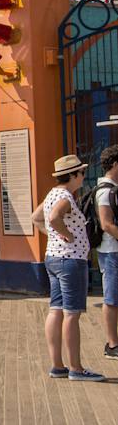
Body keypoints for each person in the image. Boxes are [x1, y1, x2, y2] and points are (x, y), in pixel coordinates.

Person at [30, 154, 104, 382]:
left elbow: (36, 217)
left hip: (53, 258)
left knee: (56, 309)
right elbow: (52, 217)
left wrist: (55, 234)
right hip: (71, 261)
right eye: (81, 172)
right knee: (72, 314)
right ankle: (76, 368)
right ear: (72, 175)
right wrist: (67, 235)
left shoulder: (53, 193)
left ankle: (58, 365)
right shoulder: (65, 197)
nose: (83, 176)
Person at [94, 145, 118, 359]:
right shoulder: (105, 191)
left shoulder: (113, 188)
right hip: (111, 252)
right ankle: (112, 345)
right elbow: (106, 224)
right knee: (111, 298)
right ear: (115, 164)